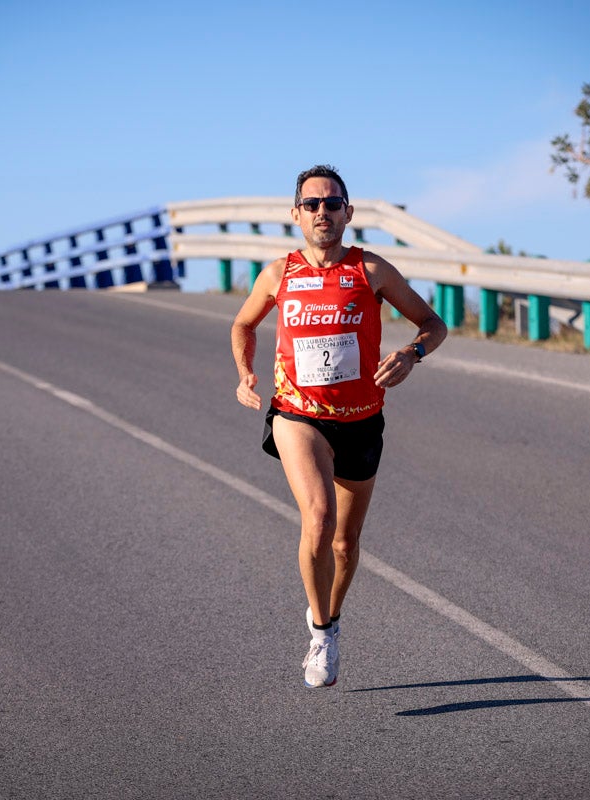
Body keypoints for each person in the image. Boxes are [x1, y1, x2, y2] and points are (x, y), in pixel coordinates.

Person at [231, 165, 447, 688]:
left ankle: (330, 615)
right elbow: (243, 323)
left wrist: (412, 354)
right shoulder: (279, 274)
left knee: (346, 545)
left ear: (348, 213)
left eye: (332, 203)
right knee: (320, 518)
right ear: (296, 215)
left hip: (362, 421)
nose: (322, 212)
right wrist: (244, 371)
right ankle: (322, 634)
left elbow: (434, 324)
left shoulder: (371, 270)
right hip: (297, 414)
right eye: (312, 204)